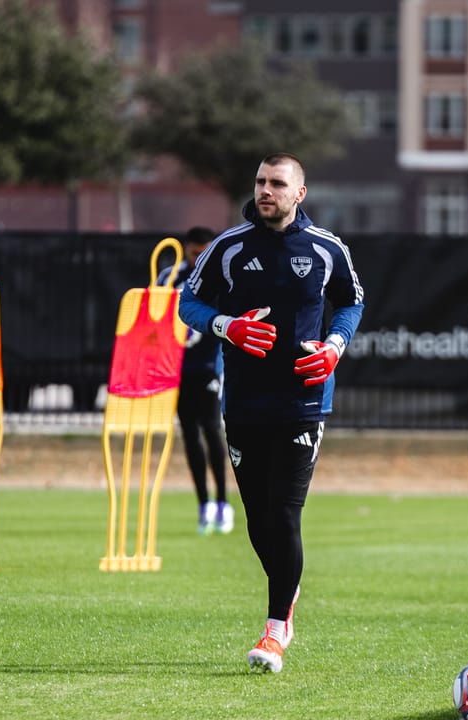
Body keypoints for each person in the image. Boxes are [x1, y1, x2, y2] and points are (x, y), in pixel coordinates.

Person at [177, 153, 364, 673]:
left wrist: (334, 345)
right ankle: (289, 583)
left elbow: (351, 303)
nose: (266, 191)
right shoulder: (227, 247)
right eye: (261, 181)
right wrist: (226, 327)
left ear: (299, 193)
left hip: (304, 400)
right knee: (259, 521)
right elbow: (187, 305)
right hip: (243, 400)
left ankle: (276, 627)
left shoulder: (326, 249)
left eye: (278, 183)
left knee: (284, 513)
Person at [156, 226, 234, 535]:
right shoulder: (170, 277)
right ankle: (203, 503)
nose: (199, 258)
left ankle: (223, 502)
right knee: (189, 434)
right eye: (194, 253)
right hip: (176, 366)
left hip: (210, 364)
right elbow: (155, 314)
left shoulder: (222, 277)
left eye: (204, 252)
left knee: (213, 431)